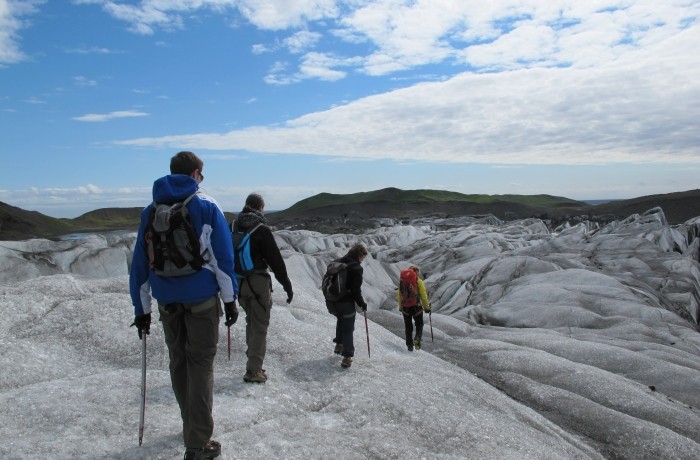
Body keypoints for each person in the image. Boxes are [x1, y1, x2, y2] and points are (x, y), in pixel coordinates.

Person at [130, 151, 238, 460]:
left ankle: (189, 425)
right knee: (200, 364)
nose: (201, 179)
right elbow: (223, 259)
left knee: (178, 362)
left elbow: (139, 264)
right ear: (194, 173)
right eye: (201, 175)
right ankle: (198, 443)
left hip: (166, 301)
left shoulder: (149, 211)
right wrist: (230, 301)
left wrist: (142, 310)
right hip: (201, 299)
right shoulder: (206, 205)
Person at [232, 193, 293, 384]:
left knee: (251, 322)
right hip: (258, 282)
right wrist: (287, 285)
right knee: (259, 327)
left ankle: (253, 361)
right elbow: (275, 260)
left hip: (240, 282)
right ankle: (254, 371)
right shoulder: (261, 229)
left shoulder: (233, 226)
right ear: (261, 207)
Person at [326, 244, 369, 368]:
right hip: (345, 303)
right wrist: (361, 303)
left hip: (331, 302)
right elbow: (355, 290)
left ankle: (339, 345)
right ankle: (347, 357)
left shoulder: (336, 262)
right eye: (363, 258)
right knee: (348, 328)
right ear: (359, 255)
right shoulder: (356, 268)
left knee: (341, 319)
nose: (362, 260)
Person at [397, 265, 431, 351]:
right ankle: (417, 338)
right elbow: (423, 296)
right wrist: (427, 308)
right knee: (419, 324)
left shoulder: (402, 282)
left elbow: (399, 295)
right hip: (417, 307)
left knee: (408, 327)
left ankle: (409, 345)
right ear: (416, 273)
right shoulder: (418, 281)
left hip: (405, 308)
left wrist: (401, 307)